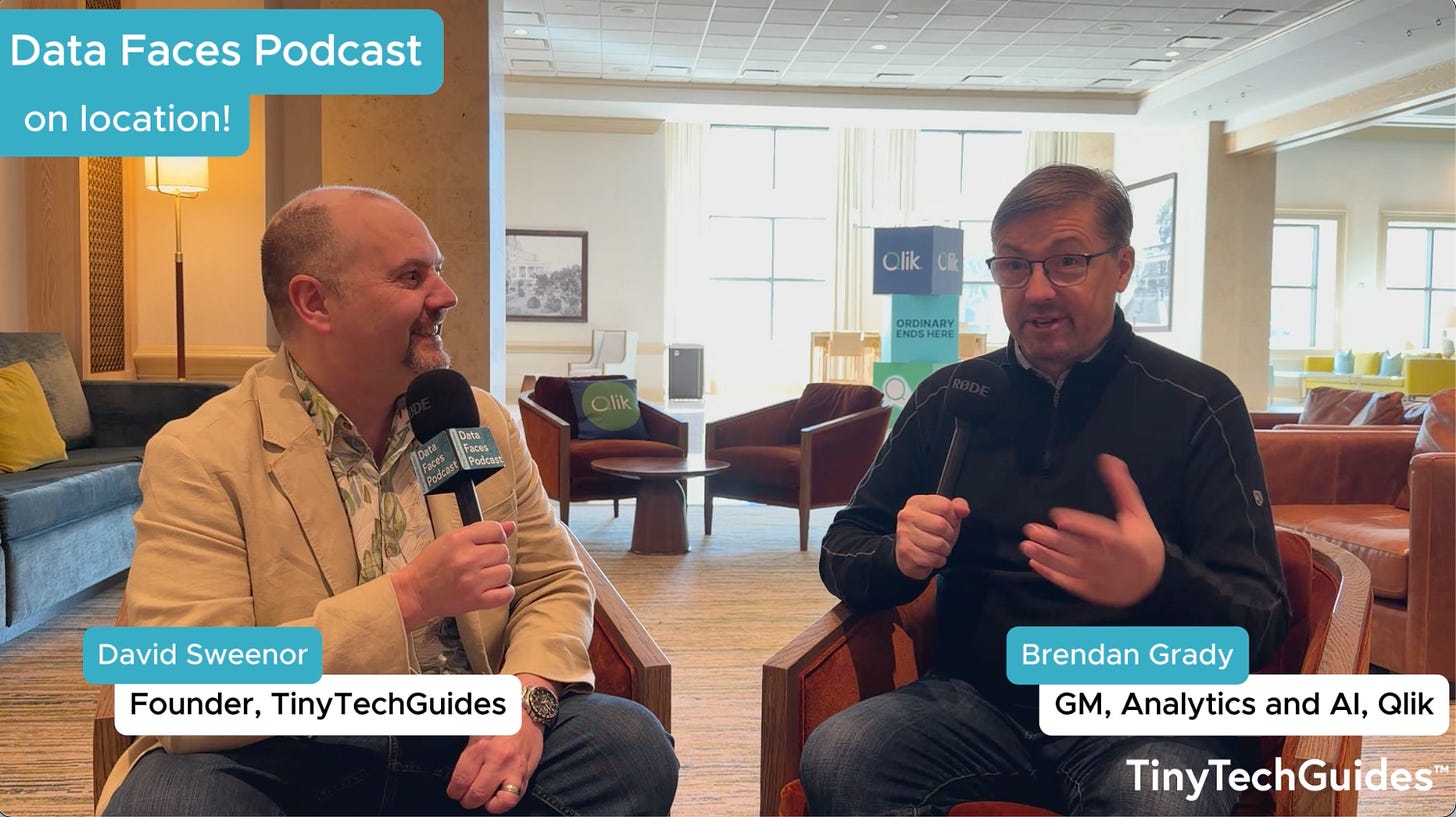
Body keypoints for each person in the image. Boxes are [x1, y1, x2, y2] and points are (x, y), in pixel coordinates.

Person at [97, 186, 679, 816]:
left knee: (629, 748)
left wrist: (526, 701)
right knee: (169, 805)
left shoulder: (476, 418)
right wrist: (408, 598)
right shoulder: (199, 452)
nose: (446, 296)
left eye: (438, 271)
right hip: (287, 749)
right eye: (411, 276)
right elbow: (183, 687)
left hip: (466, 734)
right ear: (315, 302)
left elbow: (551, 582)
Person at [799, 164, 1290, 816]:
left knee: (1160, 802)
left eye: (1066, 262)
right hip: (975, 701)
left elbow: (1263, 619)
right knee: (842, 754)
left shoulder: (1199, 403)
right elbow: (844, 546)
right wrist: (899, 557)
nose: (1036, 291)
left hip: (1146, 714)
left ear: (1122, 266)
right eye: (1013, 265)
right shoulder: (950, 397)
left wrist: (1159, 580)